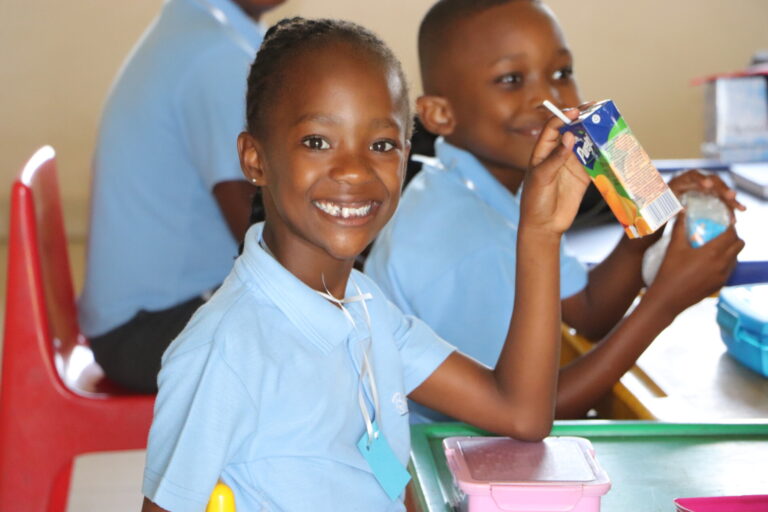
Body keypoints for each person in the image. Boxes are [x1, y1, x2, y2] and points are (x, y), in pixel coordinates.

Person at [141, 16, 590, 512]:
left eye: (381, 145)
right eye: (317, 141)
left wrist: (540, 232)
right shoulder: (225, 351)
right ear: (255, 159)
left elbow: (521, 413)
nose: (355, 170)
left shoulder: (367, 309)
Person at [364, 0, 746, 422]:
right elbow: (523, 412)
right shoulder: (463, 239)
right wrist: (663, 304)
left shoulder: (495, 191)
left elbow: (588, 310)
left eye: (561, 73)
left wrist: (649, 223)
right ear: (440, 114)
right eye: (511, 80)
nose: (548, 97)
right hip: (438, 453)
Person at [78, 0, 286, 393]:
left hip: (135, 322)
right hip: (148, 332)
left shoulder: (198, 31)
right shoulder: (214, 55)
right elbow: (254, 227)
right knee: (324, 336)